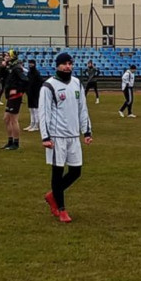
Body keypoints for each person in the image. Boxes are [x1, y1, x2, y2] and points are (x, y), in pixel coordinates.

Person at [39, 52, 93, 224]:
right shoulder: (49, 86)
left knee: (76, 171)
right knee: (58, 171)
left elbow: (82, 108)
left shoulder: (77, 83)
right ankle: (61, 209)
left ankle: (52, 195)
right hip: (56, 136)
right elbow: (44, 113)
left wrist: (87, 131)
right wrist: (45, 136)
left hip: (73, 135)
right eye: (64, 64)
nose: (68, 66)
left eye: (70, 63)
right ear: (57, 66)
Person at [1, 49, 28, 150]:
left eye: (8, 55)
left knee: (14, 120)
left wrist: (17, 90)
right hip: (10, 96)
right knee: (6, 119)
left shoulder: (17, 68)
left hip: (15, 96)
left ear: (12, 57)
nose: (5, 56)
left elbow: (25, 80)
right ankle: (10, 141)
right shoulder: (10, 67)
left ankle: (16, 143)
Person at [24, 58, 44, 132]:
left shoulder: (36, 73)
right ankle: (32, 123)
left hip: (35, 93)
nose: (30, 65)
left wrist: (37, 90)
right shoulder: (29, 73)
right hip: (30, 93)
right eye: (30, 63)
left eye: (32, 63)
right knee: (31, 109)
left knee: (36, 109)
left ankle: (36, 125)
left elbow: (40, 82)